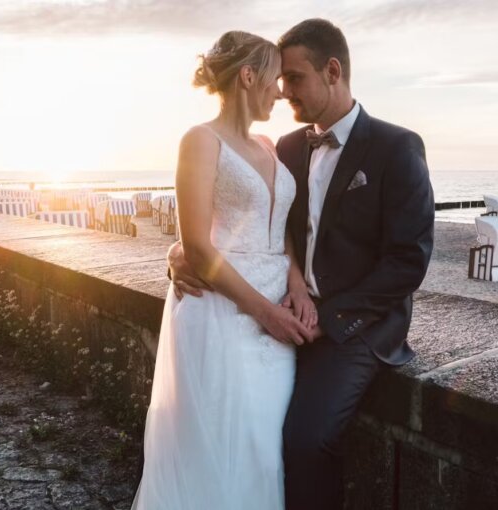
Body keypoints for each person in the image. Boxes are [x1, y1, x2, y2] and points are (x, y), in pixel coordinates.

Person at [169, 19, 435, 509]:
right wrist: (180, 251)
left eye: (296, 78)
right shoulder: (286, 147)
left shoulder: (396, 147)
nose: (285, 91)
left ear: (333, 71)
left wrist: (331, 318)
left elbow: (408, 260)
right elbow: (263, 225)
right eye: (281, 79)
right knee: (242, 430)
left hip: (357, 324)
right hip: (281, 308)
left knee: (306, 440)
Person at [131, 31, 314, 510]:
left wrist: (295, 283)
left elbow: (283, 229)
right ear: (248, 77)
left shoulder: (270, 144)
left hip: (276, 313)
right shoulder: (200, 140)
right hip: (223, 315)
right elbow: (195, 243)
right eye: (275, 79)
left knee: (262, 451)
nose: (280, 91)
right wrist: (262, 312)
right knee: (220, 449)